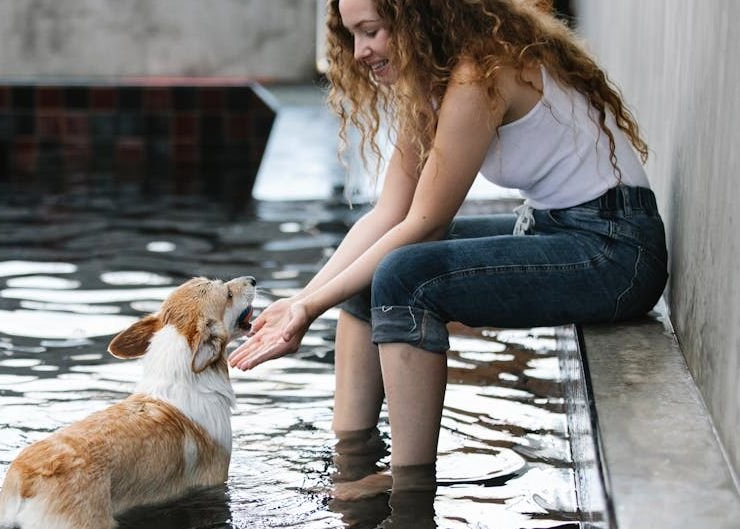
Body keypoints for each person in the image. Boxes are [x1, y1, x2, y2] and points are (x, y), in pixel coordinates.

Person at [229, 0, 668, 510]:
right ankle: (351, 459)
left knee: (402, 276)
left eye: (371, 31)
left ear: (417, 16)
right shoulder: (432, 84)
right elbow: (387, 215)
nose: (360, 51)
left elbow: (424, 223)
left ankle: (410, 487)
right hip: (558, 232)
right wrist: (303, 299)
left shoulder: (479, 74)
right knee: (371, 270)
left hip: (616, 253)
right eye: (351, 36)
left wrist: (309, 309)